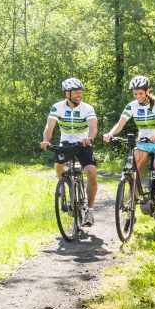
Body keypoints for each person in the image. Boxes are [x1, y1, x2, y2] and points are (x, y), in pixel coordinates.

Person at [102, 75, 155, 212]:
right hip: (142, 142)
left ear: (147, 91)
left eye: (140, 93)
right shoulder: (131, 106)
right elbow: (120, 123)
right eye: (135, 94)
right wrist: (110, 134)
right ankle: (130, 206)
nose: (137, 96)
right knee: (135, 172)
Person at [40, 78, 99, 227]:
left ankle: (89, 211)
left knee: (91, 172)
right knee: (59, 164)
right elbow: (49, 127)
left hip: (83, 143)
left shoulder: (87, 108)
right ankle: (64, 184)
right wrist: (46, 140)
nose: (79, 94)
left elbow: (93, 127)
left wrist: (90, 138)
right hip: (65, 143)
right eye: (76, 92)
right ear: (67, 93)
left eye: (81, 91)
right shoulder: (57, 107)